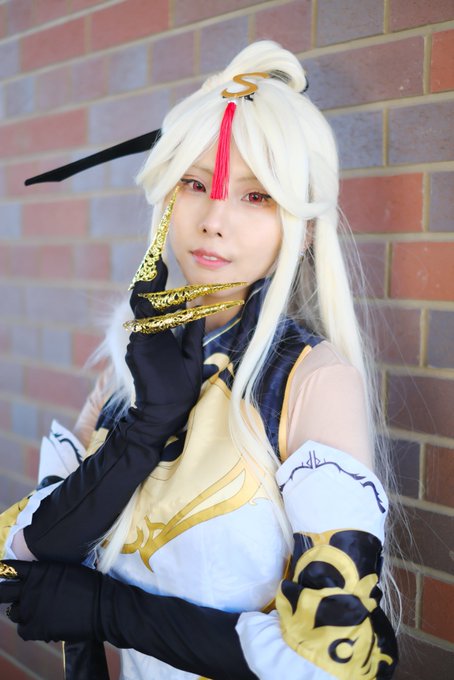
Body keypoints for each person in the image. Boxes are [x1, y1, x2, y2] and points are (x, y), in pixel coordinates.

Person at [0, 41, 398, 680]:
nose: (214, 220)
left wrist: (110, 610)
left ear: (302, 227)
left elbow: (335, 660)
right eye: (194, 184)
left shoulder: (313, 382)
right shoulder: (123, 372)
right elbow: (19, 556)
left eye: (256, 196)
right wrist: (145, 428)